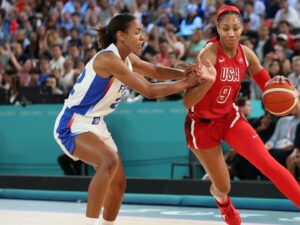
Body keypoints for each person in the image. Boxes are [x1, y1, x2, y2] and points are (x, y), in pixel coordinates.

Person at [183, 5, 300, 225]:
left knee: (269, 164)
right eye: (225, 29)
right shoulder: (208, 55)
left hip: (229, 118)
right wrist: (209, 81)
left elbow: (268, 87)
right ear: (218, 29)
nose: (231, 33)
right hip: (201, 125)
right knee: (223, 187)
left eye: (235, 28)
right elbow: (187, 101)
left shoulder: (247, 54)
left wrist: (283, 90)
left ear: (242, 27)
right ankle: (223, 202)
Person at [53, 14, 206, 225]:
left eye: (141, 32)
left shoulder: (126, 58)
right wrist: (187, 83)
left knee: (118, 185)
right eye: (137, 32)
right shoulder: (108, 59)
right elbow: (150, 90)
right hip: (73, 122)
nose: (142, 37)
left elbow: (154, 71)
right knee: (109, 161)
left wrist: (183, 73)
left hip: (96, 123)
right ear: (121, 36)